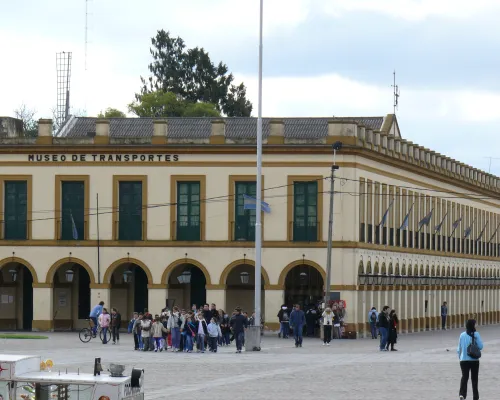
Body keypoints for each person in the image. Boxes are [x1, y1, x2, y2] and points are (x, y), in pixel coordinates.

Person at [457, 319, 483, 400]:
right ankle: (475, 397)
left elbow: (459, 349)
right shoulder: (476, 334)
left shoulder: (462, 335)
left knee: (464, 377)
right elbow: (481, 346)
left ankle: (462, 394)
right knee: (474, 379)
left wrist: (460, 357)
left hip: (463, 360)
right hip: (474, 360)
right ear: (473, 325)